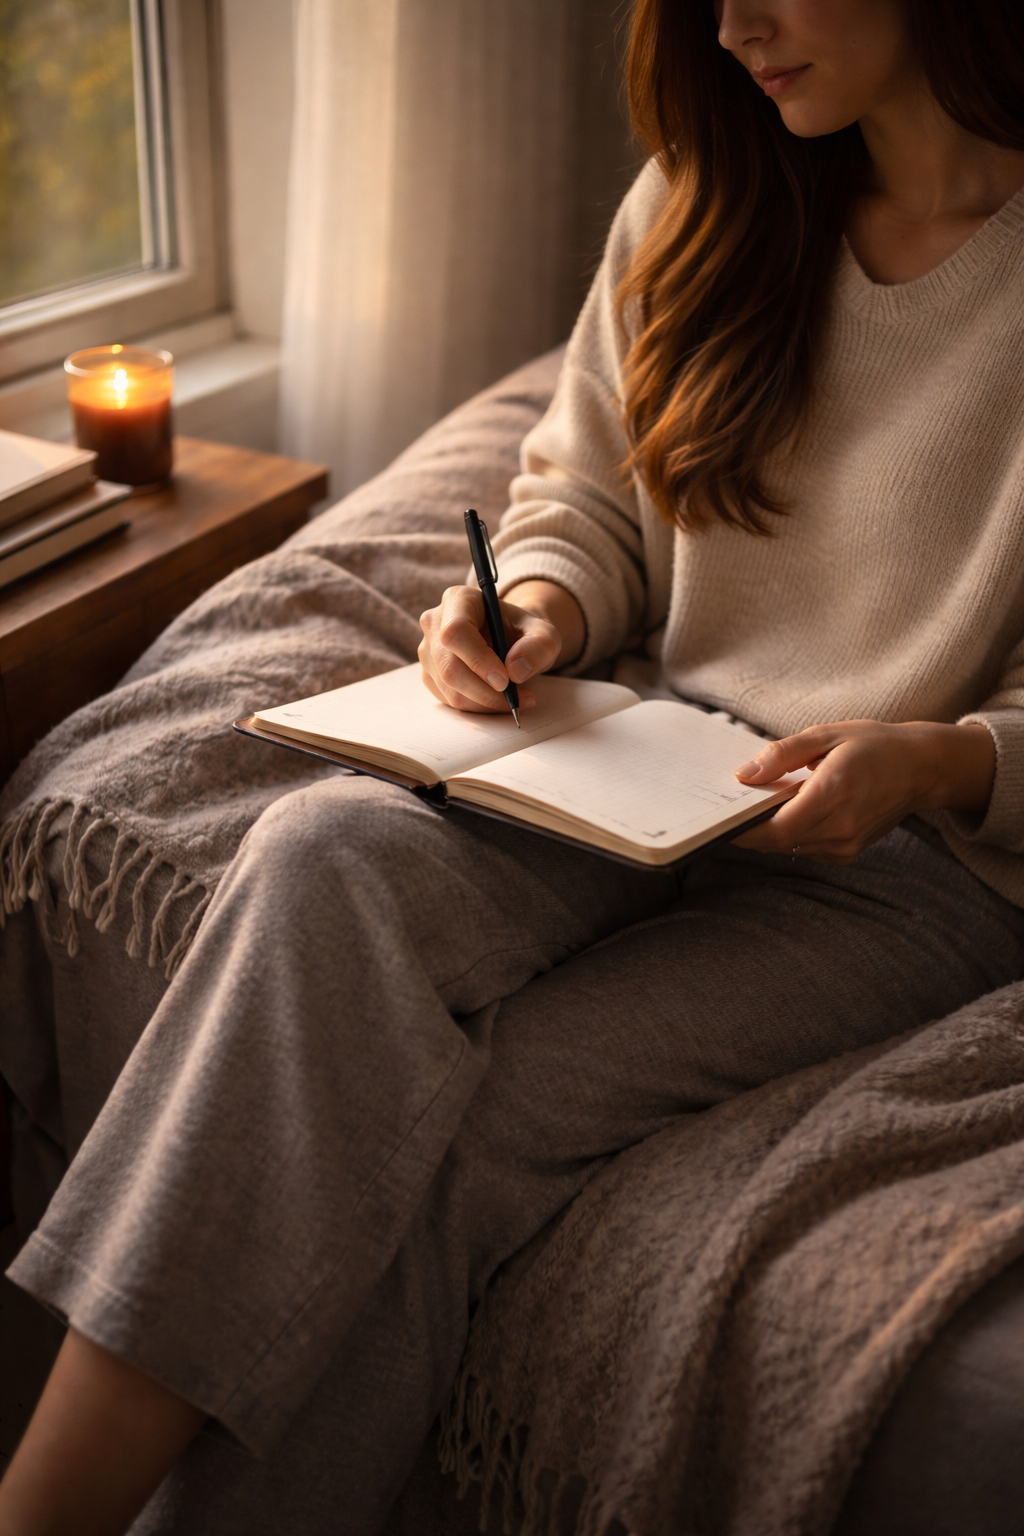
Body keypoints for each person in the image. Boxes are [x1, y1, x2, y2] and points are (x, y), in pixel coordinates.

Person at [4, 1, 1024, 1532]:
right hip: (648, 759)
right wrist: (529, 609)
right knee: (318, 850)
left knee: (445, 1135)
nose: (733, 26)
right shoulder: (706, 192)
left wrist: (942, 759)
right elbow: (584, 497)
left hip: (894, 866)